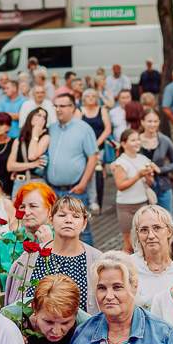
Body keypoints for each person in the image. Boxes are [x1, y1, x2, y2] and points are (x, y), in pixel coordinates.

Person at [3, 195, 103, 310]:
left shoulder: (97, 260)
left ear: (84, 223)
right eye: (62, 215)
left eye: (76, 216)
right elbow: (14, 302)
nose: (68, 220)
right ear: (51, 219)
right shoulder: (31, 256)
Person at [45, 94, 100, 240]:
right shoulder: (51, 129)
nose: (58, 109)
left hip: (76, 190)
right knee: (56, 232)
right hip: (53, 190)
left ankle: (90, 263)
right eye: (55, 106)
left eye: (62, 106)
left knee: (83, 232)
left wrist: (83, 184)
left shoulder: (84, 129)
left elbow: (93, 157)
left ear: (72, 108)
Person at [109, 129, 155, 248]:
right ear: (124, 144)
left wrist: (148, 176)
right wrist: (138, 175)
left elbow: (151, 183)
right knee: (129, 244)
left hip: (143, 204)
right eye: (133, 140)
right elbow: (120, 186)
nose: (137, 142)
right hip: (126, 206)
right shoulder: (120, 162)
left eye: (138, 139)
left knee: (144, 242)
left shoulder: (143, 159)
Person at [127, 205, 173, 303]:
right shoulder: (128, 266)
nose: (150, 236)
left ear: (169, 231)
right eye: (144, 230)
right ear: (137, 234)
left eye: (157, 228)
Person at [136, 109, 173, 215]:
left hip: (162, 187)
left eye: (155, 121)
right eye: (149, 121)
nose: (153, 124)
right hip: (140, 187)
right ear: (142, 122)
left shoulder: (165, 140)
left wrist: (160, 169)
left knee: (166, 219)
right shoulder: (136, 141)